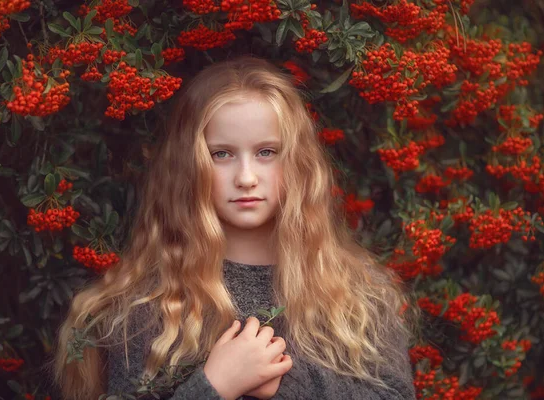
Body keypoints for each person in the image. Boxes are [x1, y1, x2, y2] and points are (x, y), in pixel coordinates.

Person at [50, 54, 420, 400]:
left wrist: (283, 384)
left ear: (299, 163)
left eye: (266, 152)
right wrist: (215, 385)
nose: (245, 178)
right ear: (188, 166)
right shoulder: (146, 309)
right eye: (221, 154)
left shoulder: (360, 297)